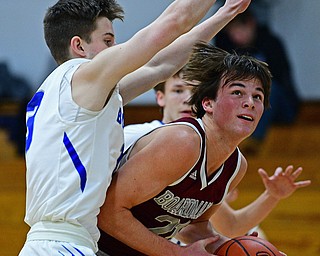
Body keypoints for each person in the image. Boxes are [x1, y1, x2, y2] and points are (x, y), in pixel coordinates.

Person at [19, 0, 225, 255]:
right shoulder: (82, 76)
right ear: (79, 46)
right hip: (64, 242)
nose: (115, 48)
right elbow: (172, 22)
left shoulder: (72, 94)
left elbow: (160, 66)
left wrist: (227, 12)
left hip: (50, 242)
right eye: (107, 41)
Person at [97, 42, 274, 256]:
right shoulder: (183, 141)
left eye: (258, 96)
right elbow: (107, 212)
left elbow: (193, 227)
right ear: (208, 104)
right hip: (92, 245)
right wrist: (176, 253)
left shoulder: (236, 166)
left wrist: (236, 248)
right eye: (237, 92)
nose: (250, 103)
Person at [123, 68, 311, 241]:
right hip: (119, 241)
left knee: (255, 238)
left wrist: (272, 195)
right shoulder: (135, 135)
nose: (188, 99)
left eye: (194, 91)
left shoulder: (217, 153)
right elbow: (113, 209)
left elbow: (229, 225)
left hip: (163, 245)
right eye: (179, 90)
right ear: (160, 97)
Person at [215, 9, 300, 155]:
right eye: (232, 32)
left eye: (239, 30)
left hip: (279, 106)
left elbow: (282, 79)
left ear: (251, 24)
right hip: (244, 105)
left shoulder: (271, 44)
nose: (236, 36)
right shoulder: (225, 46)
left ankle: (253, 139)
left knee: (265, 89)